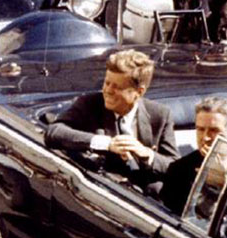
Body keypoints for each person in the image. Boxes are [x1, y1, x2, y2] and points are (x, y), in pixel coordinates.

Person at [45, 49, 179, 185]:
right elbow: (53, 132)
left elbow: (177, 168)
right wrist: (107, 144)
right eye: (107, 83)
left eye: (117, 87)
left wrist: (146, 154)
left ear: (138, 92)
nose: (108, 91)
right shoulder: (90, 105)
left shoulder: (160, 114)